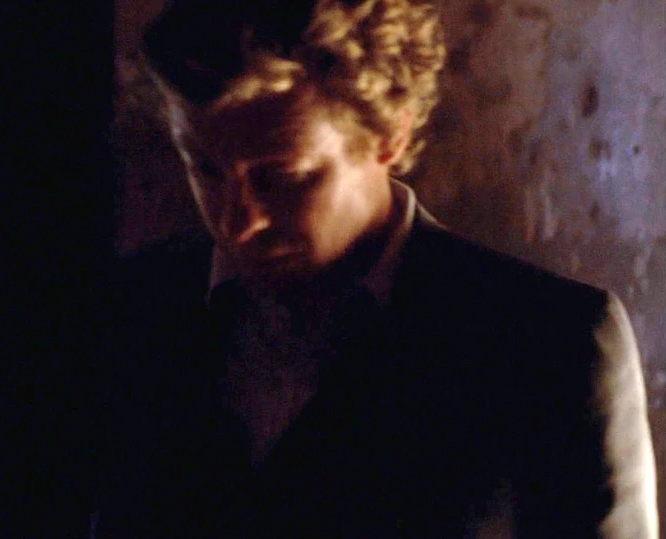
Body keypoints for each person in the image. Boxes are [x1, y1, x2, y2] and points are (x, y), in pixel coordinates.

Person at [91, 0, 658, 536]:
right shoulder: (133, 310)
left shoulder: (550, 344)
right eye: (204, 170)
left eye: (282, 178)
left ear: (391, 135)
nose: (237, 224)